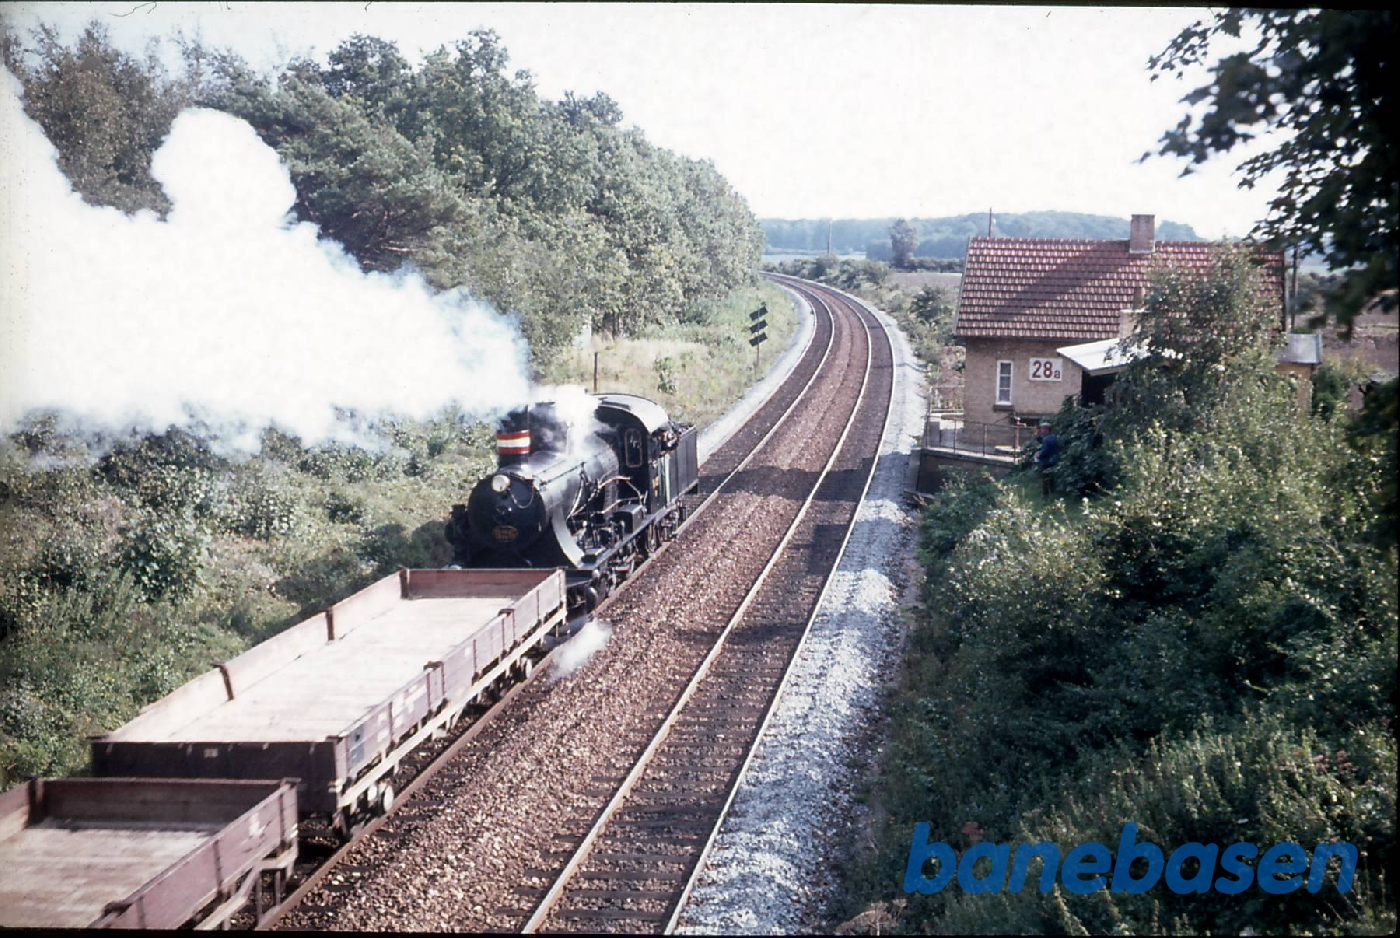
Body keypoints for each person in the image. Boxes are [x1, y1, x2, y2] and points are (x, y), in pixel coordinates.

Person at [1035, 421, 1059, 495]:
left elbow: (1045, 451)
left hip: (1046, 461)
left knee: (1045, 478)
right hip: (1053, 460)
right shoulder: (1053, 437)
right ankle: (1053, 493)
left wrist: (1038, 455)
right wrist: (1037, 437)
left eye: (1042, 429)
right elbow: (1043, 441)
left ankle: (1045, 495)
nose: (1041, 430)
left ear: (1046, 429)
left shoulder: (1046, 439)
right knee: (1051, 478)